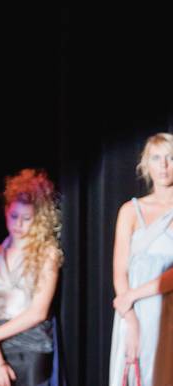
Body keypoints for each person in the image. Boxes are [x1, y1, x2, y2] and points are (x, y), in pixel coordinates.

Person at [0, 169, 63, 386]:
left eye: (27, 219)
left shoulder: (47, 253)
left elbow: (38, 312)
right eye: (14, 216)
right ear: (6, 211)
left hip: (32, 348)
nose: (19, 225)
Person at [109, 132, 173, 386]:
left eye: (170, 157)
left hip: (166, 311)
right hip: (131, 314)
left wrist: (132, 296)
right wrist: (130, 318)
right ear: (146, 164)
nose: (164, 165)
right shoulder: (130, 210)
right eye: (156, 158)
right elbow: (119, 271)